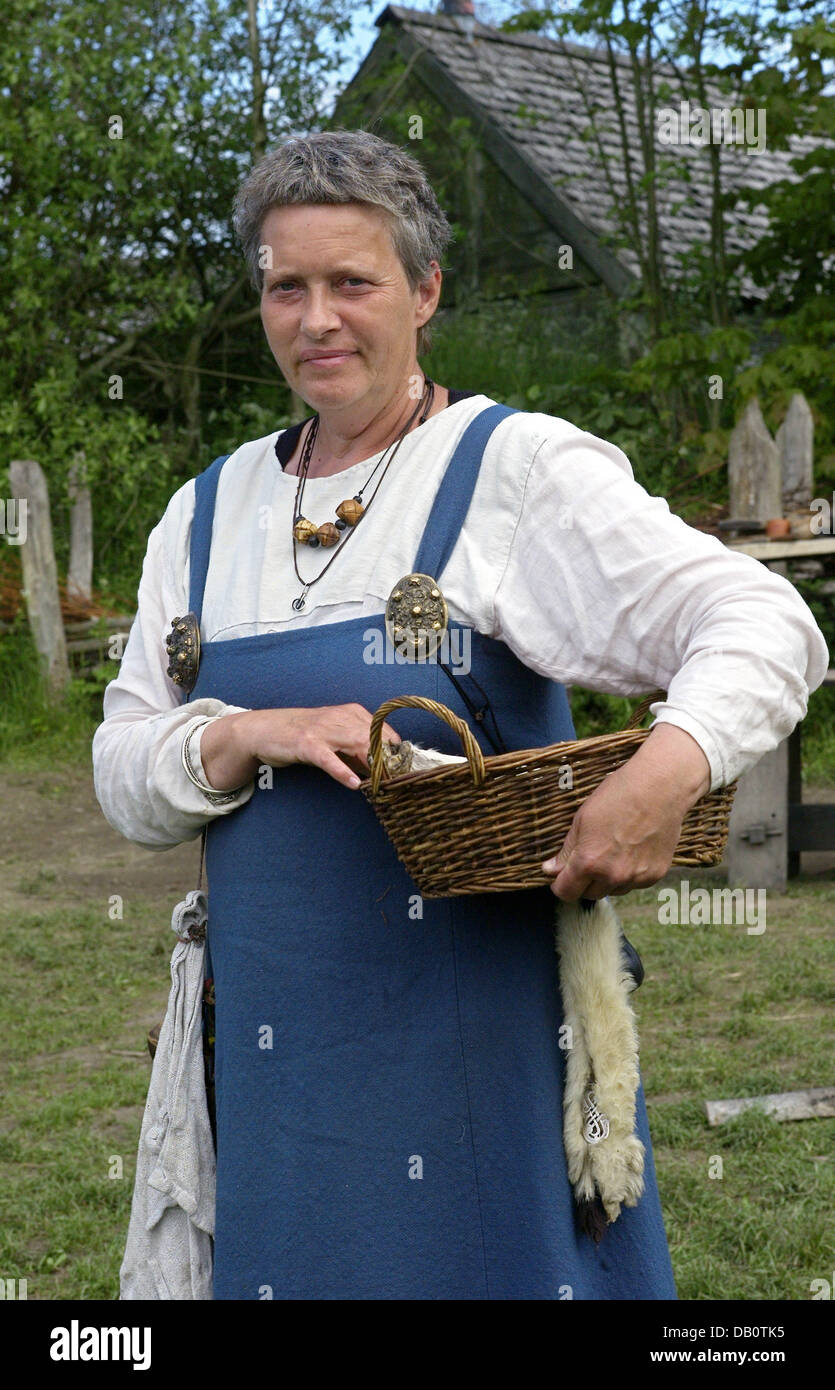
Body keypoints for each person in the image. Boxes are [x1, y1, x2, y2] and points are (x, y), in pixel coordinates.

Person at [93, 129, 828, 1300]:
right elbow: (124, 766)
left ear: (425, 291)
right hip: (279, 1058)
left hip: (474, 1047)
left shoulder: (508, 470)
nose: (318, 318)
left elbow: (761, 620)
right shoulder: (203, 515)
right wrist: (242, 733)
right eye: (288, 286)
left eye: (353, 282)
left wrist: (668, 765)